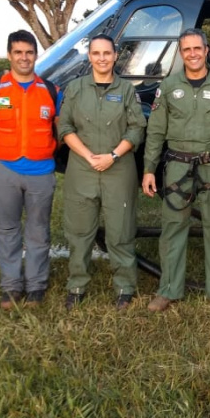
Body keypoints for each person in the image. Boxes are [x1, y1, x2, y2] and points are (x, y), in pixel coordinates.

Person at [142, 28, 210, 313]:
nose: (192, 54)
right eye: (186, 49)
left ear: (206, 50)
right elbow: (155, 131)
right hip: (177, 167)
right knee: (172, 229)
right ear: (181, 54)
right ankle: (168, 290)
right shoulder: (168, 87)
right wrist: (149, 169)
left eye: (197, 48)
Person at [58, 34, 146, 311]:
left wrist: (113, 155)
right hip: (82, 169)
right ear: (89, 56)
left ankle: (124, 286)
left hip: (118, 169)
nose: (102, 58)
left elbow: (136, 128)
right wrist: (88, 156)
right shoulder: (75, 89)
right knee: (79, 230)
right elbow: (65, 128)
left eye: (107, 53)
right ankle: (77, 284)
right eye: (96, 53)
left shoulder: (128, 90)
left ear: (115, 55)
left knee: (120, 230)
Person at [0, 30, 59, 309]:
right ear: (9, 55)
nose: (24, 58)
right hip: (5, 172)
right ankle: (11, 287)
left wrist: (44, 152)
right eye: (18, 52)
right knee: (7, 229)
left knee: (38, 231)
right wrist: (0, 155)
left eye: (29, 52)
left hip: (41, 173)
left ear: (35, 55)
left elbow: (60, 131)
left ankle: (36, 287)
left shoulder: (50, 90)